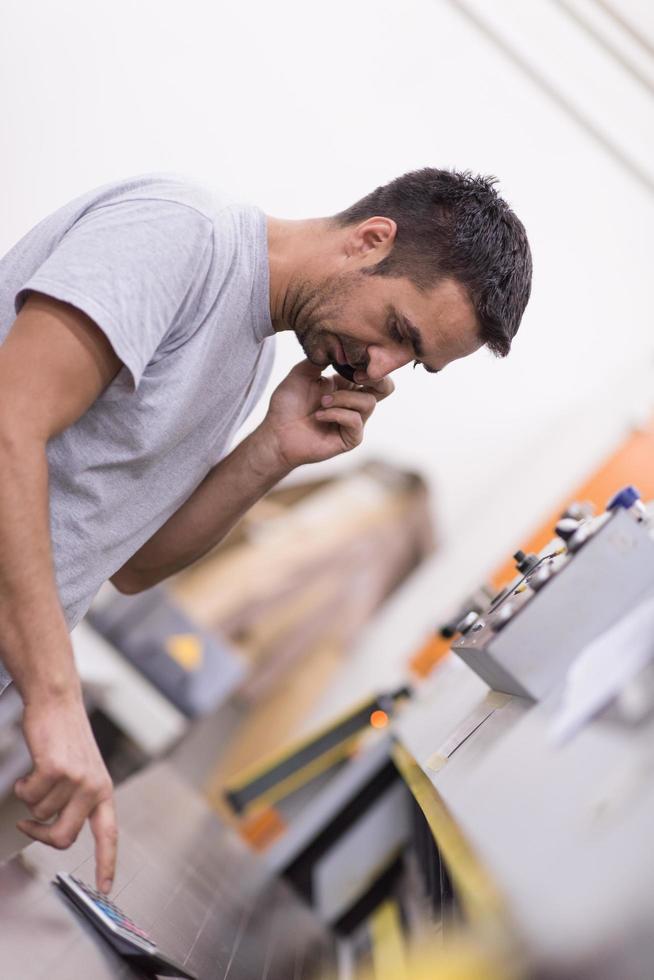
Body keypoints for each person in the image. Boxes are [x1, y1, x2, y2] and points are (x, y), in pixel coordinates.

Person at [0, 167, 531, 895]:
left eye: (415, 363)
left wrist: (271, 453)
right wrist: (56, 699)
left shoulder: (250, 359)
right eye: (397, 332)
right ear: (371, 241)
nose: (381, 369)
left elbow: (131, 564)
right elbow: (8, 426)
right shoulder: (181, 237)